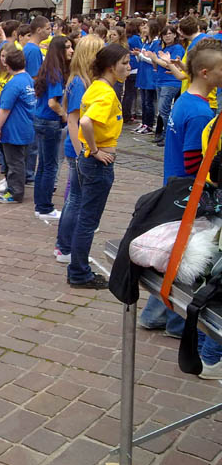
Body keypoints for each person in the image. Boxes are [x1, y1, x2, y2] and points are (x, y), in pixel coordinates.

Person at [140, 38, 222, 353]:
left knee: (176, 254)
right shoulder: (201, 112)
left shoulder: (184, 99)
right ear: (205, 72)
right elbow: (194, 161)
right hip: (188, 192)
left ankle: (154, 313)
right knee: (188, 260)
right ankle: (176, 321)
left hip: (175, 185)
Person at [68, 44, 130, 289]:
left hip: (87, 160)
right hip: (96, 163)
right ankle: (79, 272)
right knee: (88, 221)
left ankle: (77, 268)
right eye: (124, 63)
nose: (128, 68)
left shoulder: (96, 86)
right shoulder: (105, 92)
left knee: (84, 217)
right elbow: (85, 121)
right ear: (110, 66)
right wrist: (96, 150)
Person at [55, 35, 104, 264]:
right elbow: (73, 121)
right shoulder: (79, 83)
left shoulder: (83, 81)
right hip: (78, 150)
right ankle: (64, 247)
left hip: (79, 149)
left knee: (75, 198)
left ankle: (64, 246)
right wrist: (83, 152)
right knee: (75, 199)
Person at [32, 36, 73, 220]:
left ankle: (40, 204)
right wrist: (64, 114)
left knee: (43, 165)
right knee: (50, 166)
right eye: (67, 48)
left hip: (40, 119)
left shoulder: (47, 69)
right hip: (49, 121)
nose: (71, 51)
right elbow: (52, 103)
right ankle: (45, 207)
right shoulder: (55, 72)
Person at [0, 48, 36, 204]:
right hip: (26, 126)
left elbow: (5, 109)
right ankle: (15, 188)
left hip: (14, 129)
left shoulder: (13, 84)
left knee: (14, 162)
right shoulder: (28, 79)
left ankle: (15, 192)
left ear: (8, 65)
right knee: (19, 160)